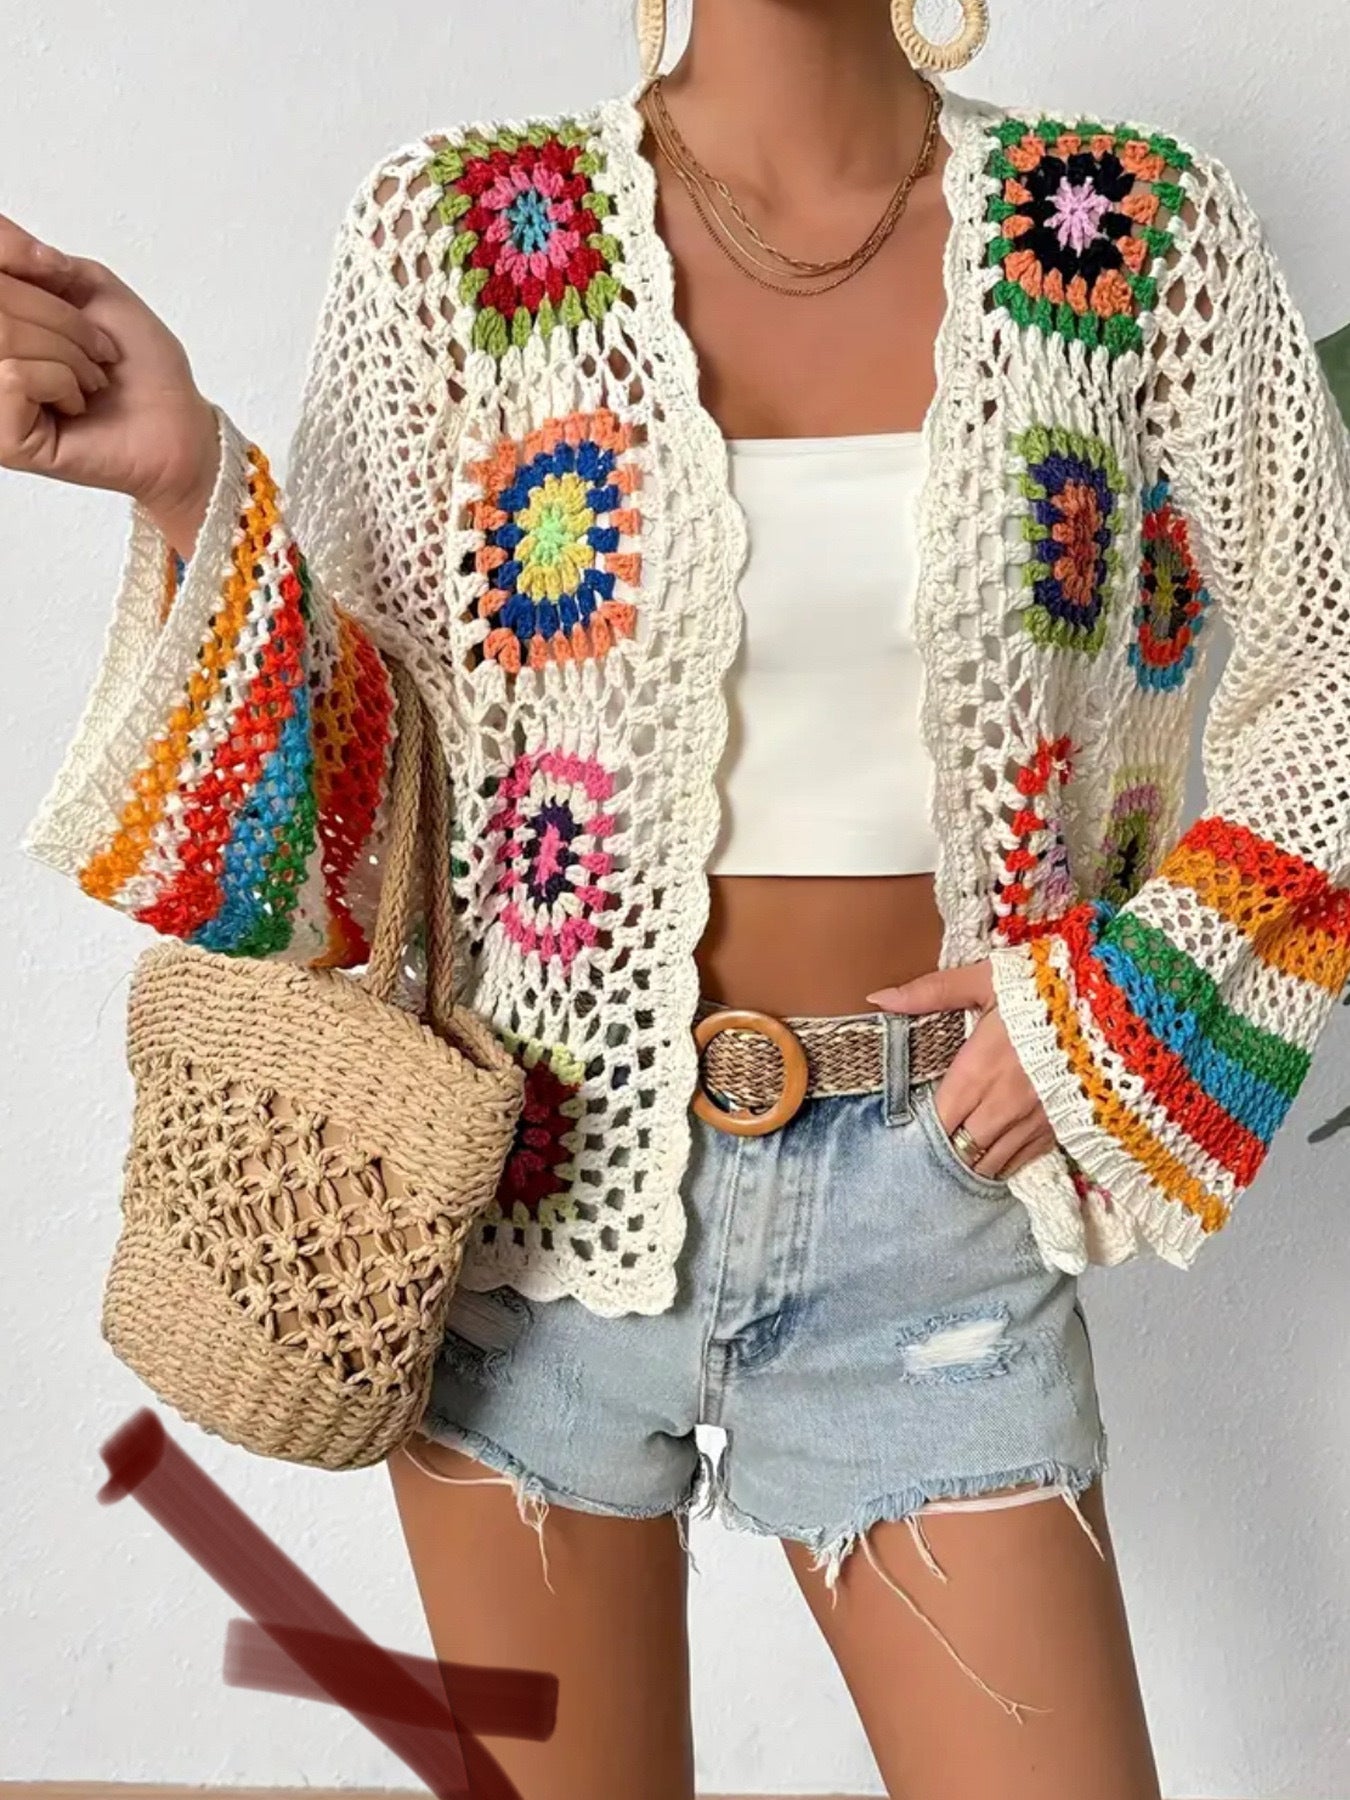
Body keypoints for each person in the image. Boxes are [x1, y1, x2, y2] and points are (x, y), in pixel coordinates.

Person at [6, 0, 1349, 1793]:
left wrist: (1121, 1008)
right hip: (524, 1215)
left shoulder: (1134, 235)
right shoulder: (461, 238)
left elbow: (1327, 674)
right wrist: (190, 486)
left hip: (932, 1221)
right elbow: (365, 817)